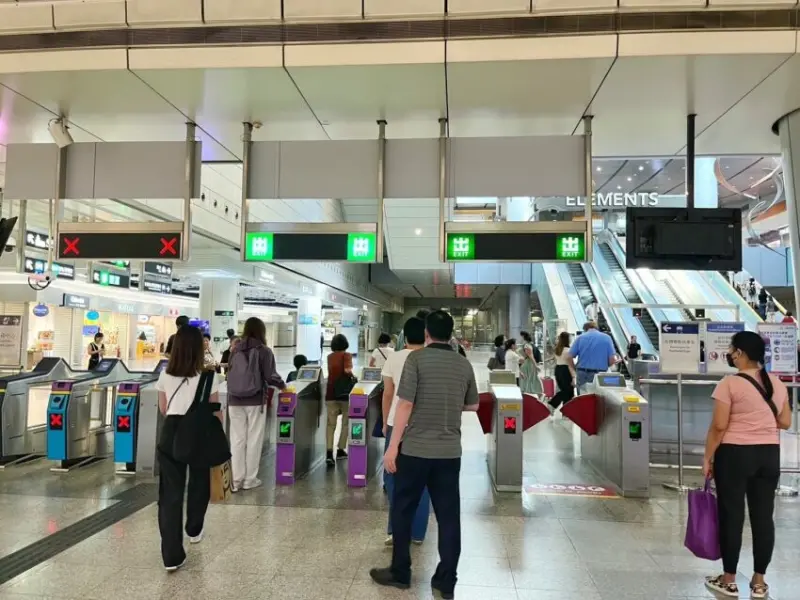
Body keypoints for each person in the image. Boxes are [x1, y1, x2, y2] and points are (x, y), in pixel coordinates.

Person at [370, 310, 479, 598]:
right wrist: (446, 403)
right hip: (449, 453)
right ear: (451, 334)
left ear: (427, 333)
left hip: (415, 450)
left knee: (403, 508)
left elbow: (404, 404)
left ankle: (400, 572)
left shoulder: (416, 360)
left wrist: (392, 446)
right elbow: (473, 405)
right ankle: (446, 581)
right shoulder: (462, 363)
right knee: (448, 517)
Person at [702, 331, 791, 599]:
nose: (729, 354)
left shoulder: (729, 383)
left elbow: (719, 426)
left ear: (739, 353)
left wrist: (707, 457)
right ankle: (759, 581)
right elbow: (785, 422)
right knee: (763, 517)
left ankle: (729, 579)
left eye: (731, 350)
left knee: (732, 515)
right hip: (769, 455)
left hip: (735, 454)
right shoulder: (777, 383)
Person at [155, 325, 218, 571]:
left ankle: (172, 556)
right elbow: (215, 412)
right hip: (199, 432)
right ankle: (194, 528)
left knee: (170, 493)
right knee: (199, 482)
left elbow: (163, 409)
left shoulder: (165, 375)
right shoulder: (209, 376)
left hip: (171, 431)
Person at [380, 317, 430, 546]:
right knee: (422, 479)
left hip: (395, 423)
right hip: (422, 425)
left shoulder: (394, 357)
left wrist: (385, 422)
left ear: (405, 336)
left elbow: (388, 393)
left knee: (393, 477)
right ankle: (418, 532)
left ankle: (396, 529)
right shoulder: (430, 358)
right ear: (426, 335)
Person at [227, 317, 285, 492]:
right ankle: (249, 479)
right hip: (255, 400)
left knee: (237, 439)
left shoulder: (235, 349)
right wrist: (283, 386)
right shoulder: (263, 350)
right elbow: (270, 376)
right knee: (253, 439)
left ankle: (236, 479)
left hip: (234, 400)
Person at [326, 333, 353, 466]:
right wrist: (353, 377)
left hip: (331, 394)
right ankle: (341, 450)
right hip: (344, 394)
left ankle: (329, 453)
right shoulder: (346, 355)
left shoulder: (329, 357)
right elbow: (347, 370)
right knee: (346, 423)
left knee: (331, 425)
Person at [569, 321, 616, 392]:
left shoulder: (580, 338)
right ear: (596, 328)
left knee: (583, 396)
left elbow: (569, 356)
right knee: (598, 395)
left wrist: (574, 368)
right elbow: (612, 359)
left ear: (585, 329)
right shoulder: (607, 338)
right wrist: (604, 365)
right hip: (600, 374)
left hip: (582, 373)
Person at [549, 332, 575, 409]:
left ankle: (565, 410)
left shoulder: (557, 349)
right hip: (565, 371)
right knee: (568, 391)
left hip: (558, 369)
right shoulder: (568, 350)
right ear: (567, 339)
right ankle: (552, 403)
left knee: (565, 391)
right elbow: (570, 364)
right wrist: (574, 375)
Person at [518, 331, 543, 396]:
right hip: (529, 363)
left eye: (521, 337)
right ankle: (532, 393)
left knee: (528, 379)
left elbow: (530, 356)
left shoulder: (527, 345)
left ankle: (529, 393)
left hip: (528, 364)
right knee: (531, 379)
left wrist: (535, 365)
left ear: (523, 337)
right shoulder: (530, 344)